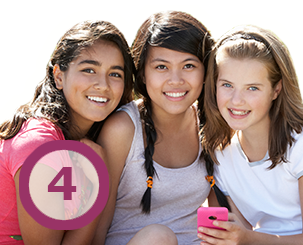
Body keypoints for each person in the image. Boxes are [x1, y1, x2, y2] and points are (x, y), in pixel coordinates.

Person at [199, 21, 303, 244]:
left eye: (252, 88)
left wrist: (248, 238)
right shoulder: (222, 154)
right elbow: (240, 230)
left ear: (276, 89)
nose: (236, 100)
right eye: (227, 85)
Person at [0, 18, 134, 244]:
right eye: (89, 69)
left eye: (115, 74)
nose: (103, 84)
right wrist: (96, 181)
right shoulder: (39, 144)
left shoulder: (81, 139)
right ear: (59, 76)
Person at [93, 10, 214, 245]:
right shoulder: (123, 129)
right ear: (143, 74)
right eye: (161, 67)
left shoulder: (210, 125)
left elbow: (217, 214)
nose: (176, 80)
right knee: (158, 238)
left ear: (206, 71)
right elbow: (97, 223)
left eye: (189, 65)